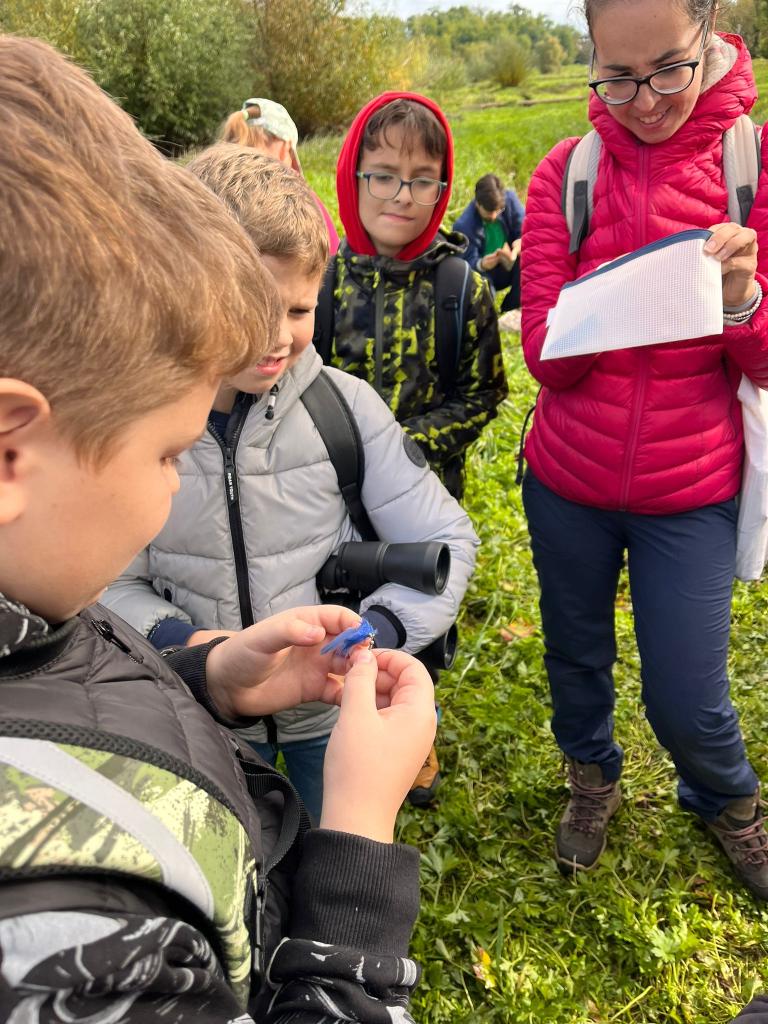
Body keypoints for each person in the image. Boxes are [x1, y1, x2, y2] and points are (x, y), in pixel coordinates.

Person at [0, 35, 436, 1022]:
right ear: (12, 454)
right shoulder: (72, 932)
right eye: (167, 454)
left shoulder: (36, 595)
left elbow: (61, 672)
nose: (172, 487)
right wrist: (358, 845)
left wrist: (204, 677)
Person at [103, 145, 478, 821]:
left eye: (300, 311)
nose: (278, 338)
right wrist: (184, 646)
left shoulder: (347, 410)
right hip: (196, 715)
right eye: (253, 308)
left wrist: (377, 632)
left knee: (327, 840)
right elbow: (107, 580)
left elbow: (446, 539)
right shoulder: (135, 423)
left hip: (328, 716)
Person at [520, 0, 768, 900]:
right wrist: (614, 294)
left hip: (693, 489)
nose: (648, 100)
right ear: (591, 56)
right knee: (574, 654)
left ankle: (728, 800)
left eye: (669, 68)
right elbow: (546, 359)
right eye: (618, 78)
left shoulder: (753, 168)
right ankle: (592, 778)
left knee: (688, 693)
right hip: (569, 480)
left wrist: (740, 299)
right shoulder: (568, 174)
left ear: (712, 31)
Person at [318, 92, 508, 505]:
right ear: (353, 177)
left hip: (427, 504)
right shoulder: (317, 285)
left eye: (422, 181)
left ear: (441, 189)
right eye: (384, 176)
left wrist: (402, 448)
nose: (403, 195)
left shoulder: (463, 289)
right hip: (331, 505)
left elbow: (483, 395)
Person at [218, 97, 339, 254]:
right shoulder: (299, 199)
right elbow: (331, 251)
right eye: (290, 154)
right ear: (285, 146)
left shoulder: (211, 184)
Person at [452, 172, 524, 331]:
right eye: (489, 212)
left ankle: (513, 308)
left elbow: (526, 229)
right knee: (482, 287)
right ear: (477, 204)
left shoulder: (510, 201)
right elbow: (464, 264)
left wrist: (520, 244)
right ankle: (487, 319)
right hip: (486, 274)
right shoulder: (463, 226)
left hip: (511, 263)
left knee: (529, 259)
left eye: (498, 211)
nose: (494, 216)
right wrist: (481, 264)